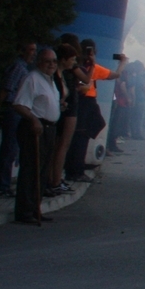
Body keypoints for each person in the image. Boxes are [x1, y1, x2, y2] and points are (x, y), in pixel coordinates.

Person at [10, 46, 61, 226]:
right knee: (31, 170)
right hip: (35, 128)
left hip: (49, 128)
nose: (52, 64)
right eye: (47, 61)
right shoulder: (32, 78)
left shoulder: (50, 80)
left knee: (43, 171)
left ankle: (35, 208)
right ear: (39, 62)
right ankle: (24, 211)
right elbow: (19, 104)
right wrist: (33, 119)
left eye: (54, 61)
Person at [66, 39, 121, 181]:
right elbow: (85, 81)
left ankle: (75, 164)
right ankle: (75, 168)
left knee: (90, 128)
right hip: (84, 101)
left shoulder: (84, 66)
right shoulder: (81, 67)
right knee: (82, 134)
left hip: (85, 101)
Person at [0, 41, 37, 197]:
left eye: (35, 50)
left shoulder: (24, 68)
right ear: (22, 51)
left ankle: (4, 184)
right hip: (12, 110)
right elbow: (6, 88)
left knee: (12, 148)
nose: (34, 53)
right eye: (31, 50)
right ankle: (2, 186)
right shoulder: (18, 68)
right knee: (9, 148)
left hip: (17, 111)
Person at [46, 44, 80, 197]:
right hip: (57, 117)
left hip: (61, 112)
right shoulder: (55, 77)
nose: (74, 62)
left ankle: (54, 179)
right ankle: (53, 180)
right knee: (59, 147)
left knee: (59, 147)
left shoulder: (64, 75)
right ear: (64, 59)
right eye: (72, 59)